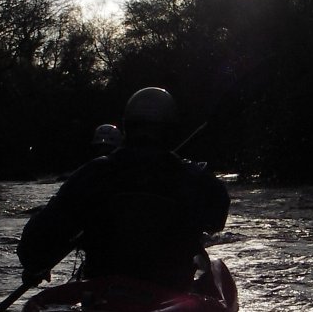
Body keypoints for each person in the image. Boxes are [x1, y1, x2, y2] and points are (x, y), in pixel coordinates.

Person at [17, 87, 230, 290]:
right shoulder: (193, 177)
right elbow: (216, 221)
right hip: (170, 286)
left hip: (102, 290)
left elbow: (34, 243)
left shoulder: (93, 174)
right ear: (171, 131)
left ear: (127, 128)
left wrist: (37, 265)